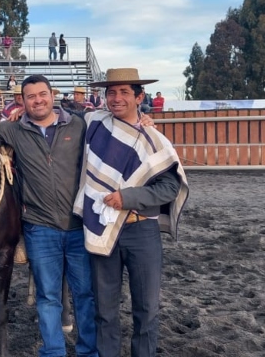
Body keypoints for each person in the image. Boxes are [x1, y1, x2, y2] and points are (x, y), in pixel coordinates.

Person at [75, 68, 189, 357]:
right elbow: (55, 121)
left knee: (147, 309)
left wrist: (129, 197)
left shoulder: (154, 140)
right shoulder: (93, 123)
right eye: (111, 92)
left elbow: (170, 187)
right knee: (105, 309)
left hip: (141, 231)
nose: (116, 98)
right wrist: (19, 115)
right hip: (101, 226)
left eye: (125, 92)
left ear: (140, 97)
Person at [0, 74, 98, 357]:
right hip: (40, 228)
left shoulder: (79, 125)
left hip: (79, 226)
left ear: (52, 95)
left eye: (42, 94)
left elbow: (113, 127)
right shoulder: (12, 131)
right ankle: (53, 351)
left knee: (85, 295)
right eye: (31, 96)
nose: (38, 100)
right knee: (48, 297)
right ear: (22, 100)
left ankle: (88, 351)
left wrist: (145, 121)